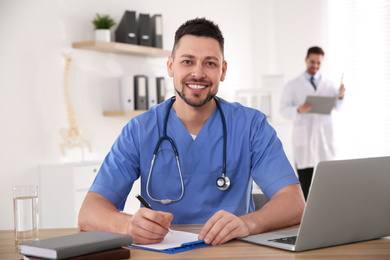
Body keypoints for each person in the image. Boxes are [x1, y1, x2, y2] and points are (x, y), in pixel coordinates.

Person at [78, 18, 305, 246]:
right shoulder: (140, 130)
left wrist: (248, 224)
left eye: (210, 63)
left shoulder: (251, 125)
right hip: (162, 253)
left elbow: (294, 203)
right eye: (187, 61)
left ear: (223, 70)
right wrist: (127, 225)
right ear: (170, 66)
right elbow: (89, 212)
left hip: (232, 252)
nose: (198, 73)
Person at [280, 46, 345, 200]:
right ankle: (307, 221)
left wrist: (341, 96)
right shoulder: (293, 85)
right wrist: (298, 109)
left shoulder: (329, 84)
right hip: (305, 143)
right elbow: (283, 110)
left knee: (328, 186)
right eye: (312, 62)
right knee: (306, 187)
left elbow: (338, 107)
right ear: (306, 60)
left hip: (324, 141)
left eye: (318, 63)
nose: (315, 65)